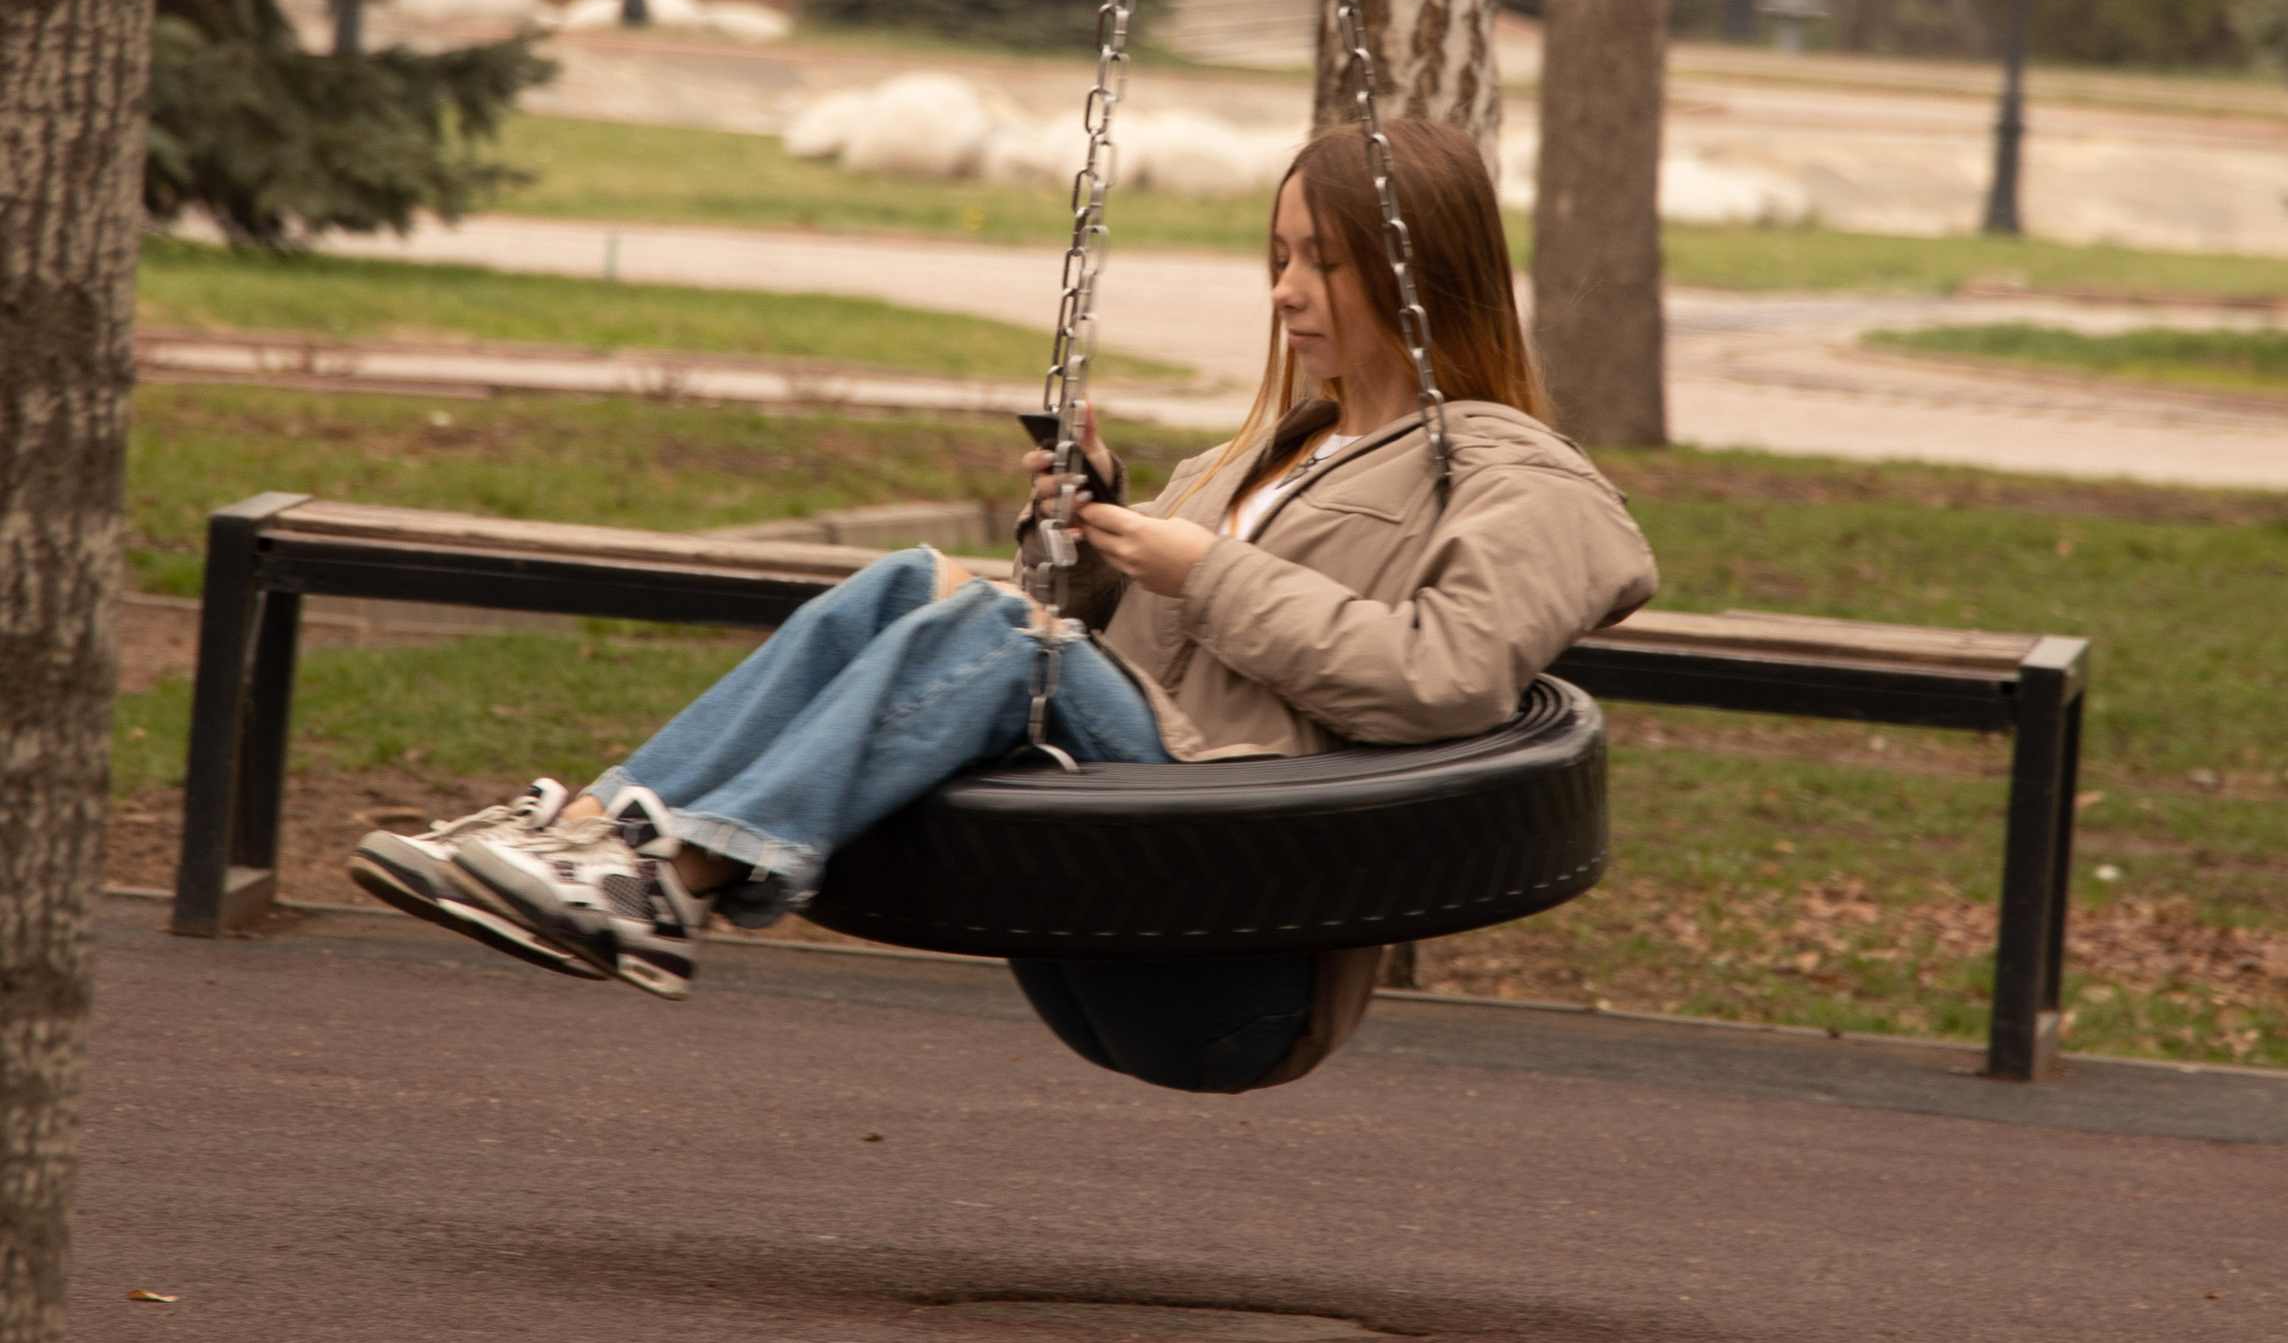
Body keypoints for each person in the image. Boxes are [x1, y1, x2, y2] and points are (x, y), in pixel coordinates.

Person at [353, 120, 1657, 1088]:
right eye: (1277, 254)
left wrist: (1200, 567)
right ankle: (597, 833)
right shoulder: (1260, 456)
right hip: (1116, 880)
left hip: (1243, 947)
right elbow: (1120, 649)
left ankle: (671, 875)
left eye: (1323, 260)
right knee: (910, 582)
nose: (1285, 291)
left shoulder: (1514, 472)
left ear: (1422, 271)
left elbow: (1444, 677)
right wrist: (1090, 530)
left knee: (992, 632)